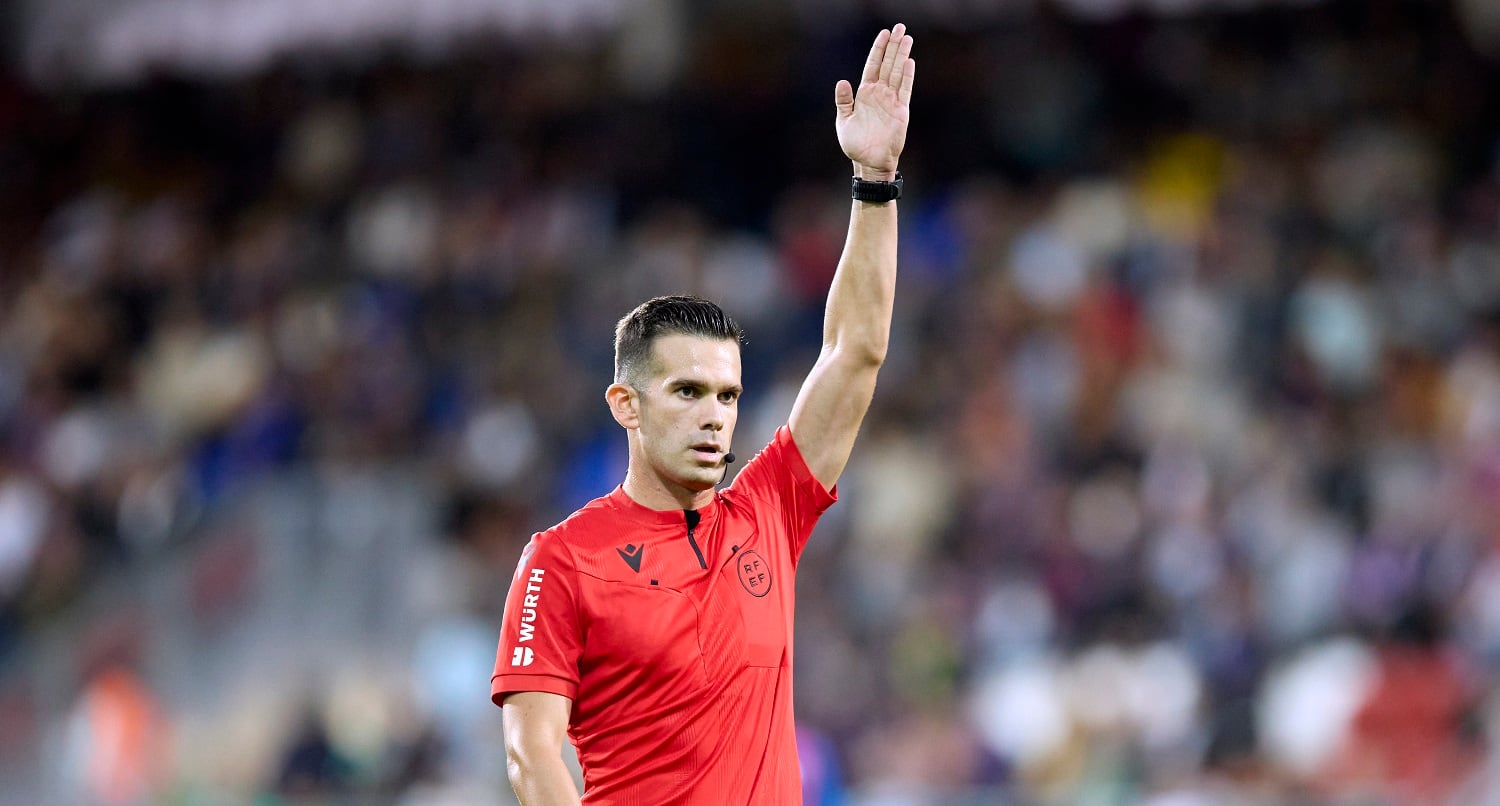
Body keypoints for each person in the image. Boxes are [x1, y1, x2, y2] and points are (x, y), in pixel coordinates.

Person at [492, 23, 916, 804]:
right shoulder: (561, 561)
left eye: (727, 396)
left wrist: (875, 180)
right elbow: (531, 754)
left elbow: (854, 351)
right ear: (627, 403)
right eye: (686, 392)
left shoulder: (767, 514)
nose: (714, 416)